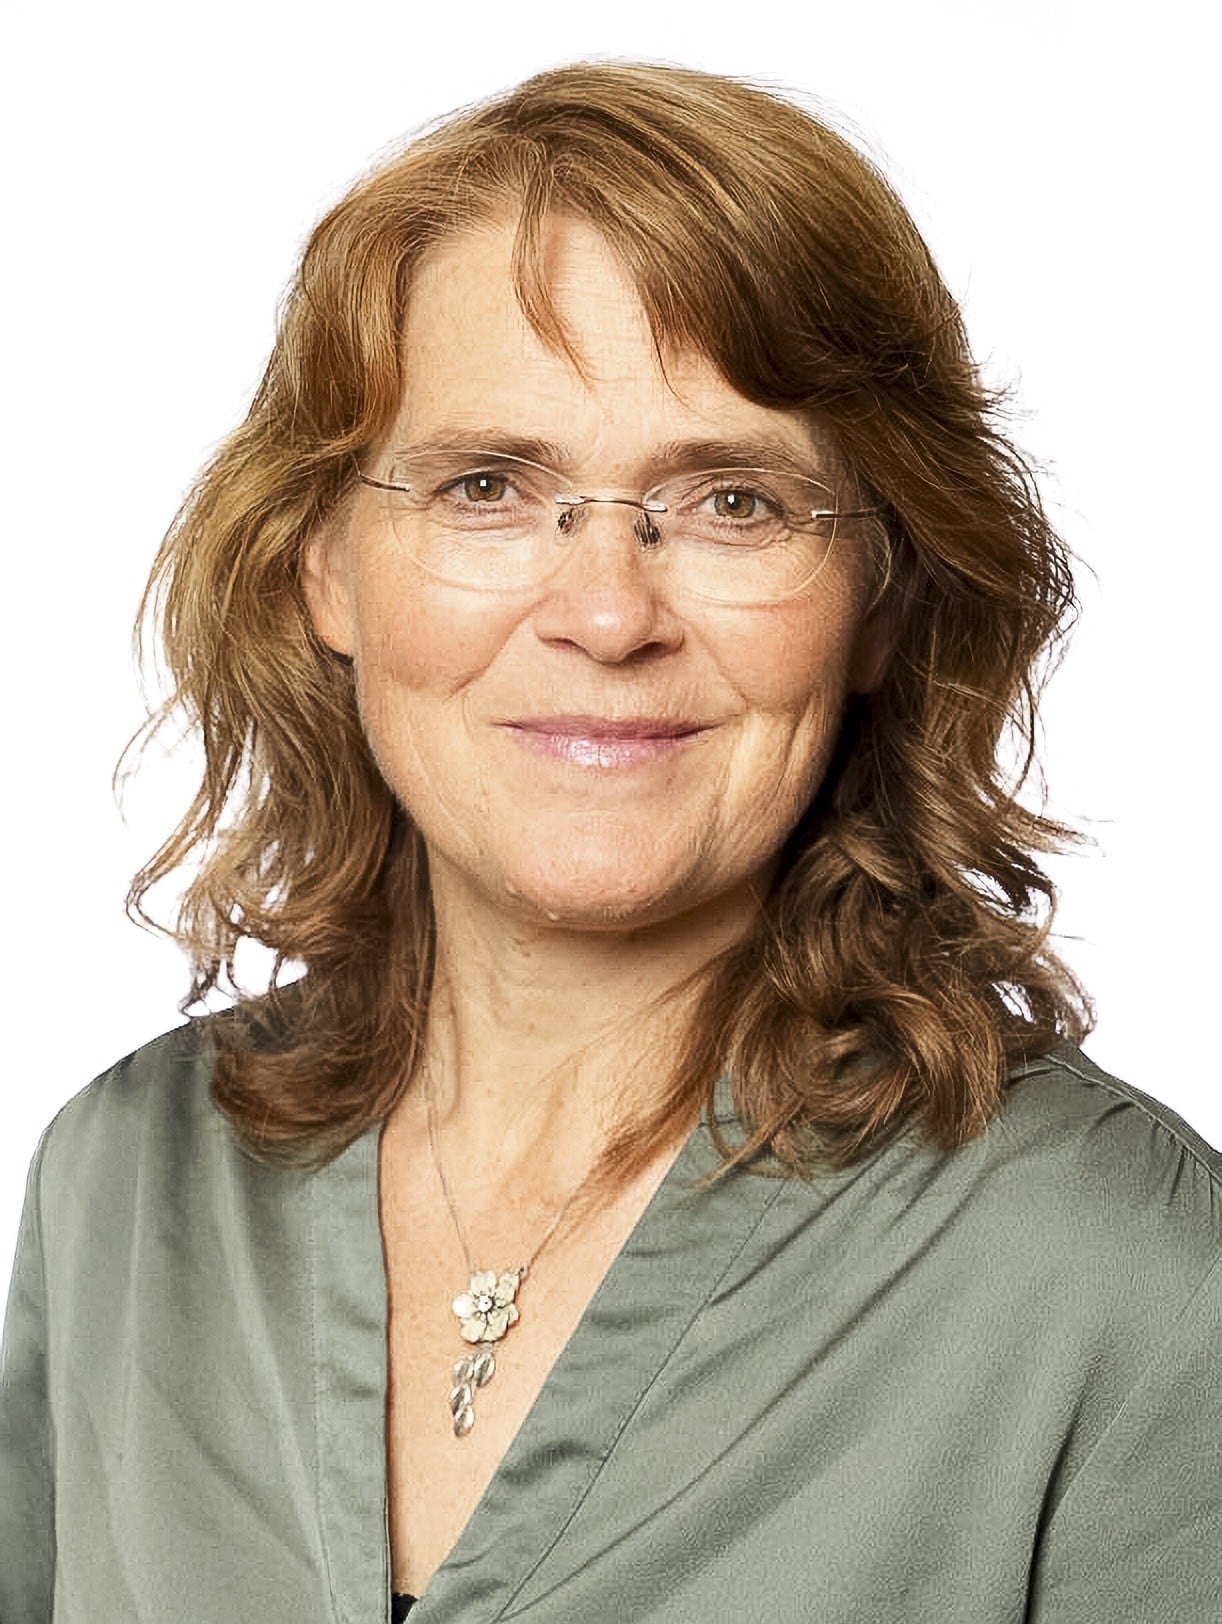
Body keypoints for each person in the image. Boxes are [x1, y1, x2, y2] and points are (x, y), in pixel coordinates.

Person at [1, 60, 1218, 1622]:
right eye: (487, 487)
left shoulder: (1121, 1279)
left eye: (731, 502)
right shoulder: (125, 1187)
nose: (603, 613)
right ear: (322, 566)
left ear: (881, 598)